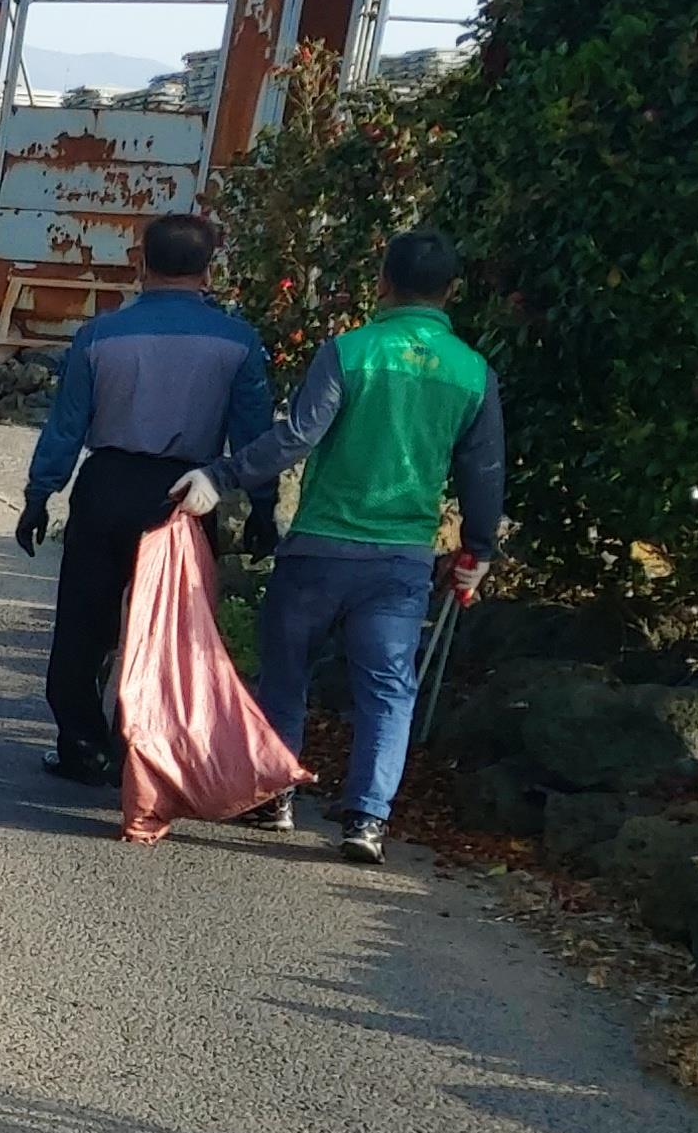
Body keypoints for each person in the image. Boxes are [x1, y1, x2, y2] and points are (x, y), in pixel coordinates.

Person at [172, 229, 504, 863]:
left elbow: (297, 437)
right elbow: (483, 472)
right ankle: (366, 820)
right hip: (400, 559)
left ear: (382, 281)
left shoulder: (349, 352)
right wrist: (477, 549)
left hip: (320, 548)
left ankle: (276, 795)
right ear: (452, 292)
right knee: (386, 688)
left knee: (286, 672)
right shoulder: (473, 373)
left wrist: (221, 476)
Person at [15, 213, 276, 784]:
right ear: (209, 272)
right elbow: (253, 435)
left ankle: (81, 742)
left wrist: (39, 496)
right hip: (187, 497)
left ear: (141, 264)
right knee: (173, 629)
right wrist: (262, 506)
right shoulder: (238, 343)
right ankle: (144, 748)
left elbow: (66, 427)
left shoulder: (100, 336)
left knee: (84, 622)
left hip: (106, 484)